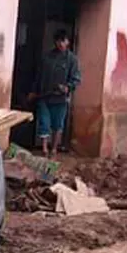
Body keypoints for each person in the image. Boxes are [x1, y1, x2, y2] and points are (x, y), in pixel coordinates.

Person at [30, 29, 81, 158]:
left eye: (63, 41)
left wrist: (67, 87)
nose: (60, 44)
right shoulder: (47, 58)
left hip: (60, 99)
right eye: (58, 41)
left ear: (67, 42)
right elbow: (38, 76)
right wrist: (33, 91)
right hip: (44, 96)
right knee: (44, 123)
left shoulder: (72, 60)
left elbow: (76, 79)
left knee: (58, 125)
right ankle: (44, 149)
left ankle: (54, 150)